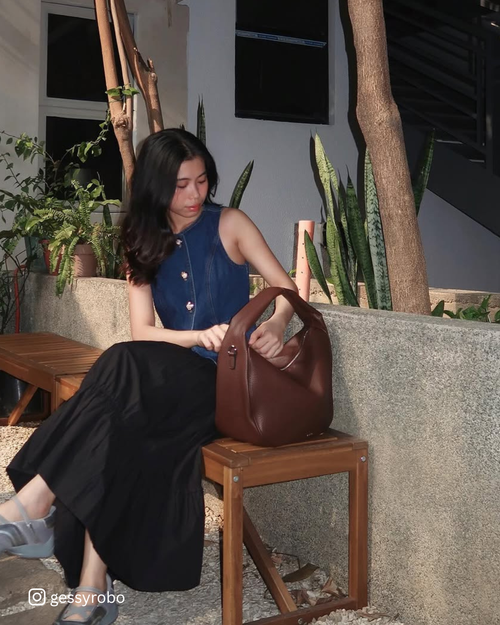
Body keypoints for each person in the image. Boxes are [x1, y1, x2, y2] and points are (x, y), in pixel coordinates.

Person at [0, 128, 297, 624]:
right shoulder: (140, 239)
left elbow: (286, 290)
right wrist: (197, 335)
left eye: (201, 181)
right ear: (157, 187)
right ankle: (92, 584)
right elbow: (144, 330)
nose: (194, 194)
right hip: (166, 375)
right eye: (181, 185)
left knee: (119, 369)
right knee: (119, 422)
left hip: (225, 384)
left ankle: (35, 505)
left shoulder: (230, 224)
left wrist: (277, 322)